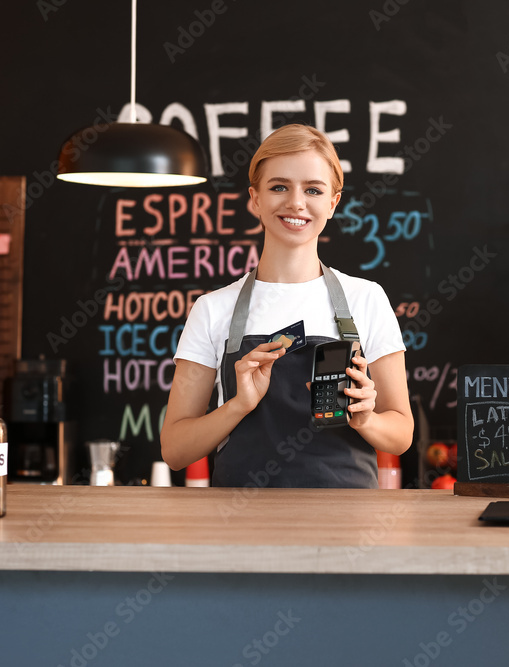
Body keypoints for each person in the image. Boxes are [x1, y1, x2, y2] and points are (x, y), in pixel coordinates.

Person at [162, 124, 413, 487]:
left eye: (313, 189)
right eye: (279, 186)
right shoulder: (213, 309)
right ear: (255, 198)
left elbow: (402, 434)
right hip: (240, 526)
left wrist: (367, 418)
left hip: (347, 525)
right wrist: (237, 405)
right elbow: (175, 449)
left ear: (333, 202)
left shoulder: (367, 298)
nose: (296, 202)